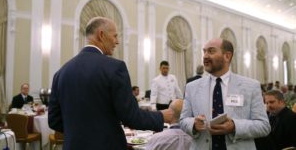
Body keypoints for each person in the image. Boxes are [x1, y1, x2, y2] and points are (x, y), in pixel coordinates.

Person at [48, 17, 173, 150]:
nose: (117, 41)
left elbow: (54, 121)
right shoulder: (115, 67)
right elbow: (131, 117)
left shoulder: (61, 73)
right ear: (101, 35)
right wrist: (161, 116)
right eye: (115, 36)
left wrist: (81, 132)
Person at [180, 38, 270, 150]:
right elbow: (183, 120)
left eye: (211, 51)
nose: (205, 56)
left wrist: (234, 126)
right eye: (204, 51)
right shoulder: (191, 87)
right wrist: (193, 124)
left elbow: (264, 126)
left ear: (227, 56)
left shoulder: (251, 86)